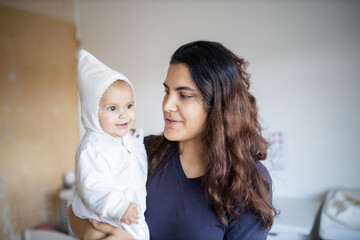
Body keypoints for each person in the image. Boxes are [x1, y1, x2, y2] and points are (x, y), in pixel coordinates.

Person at [68, 41, 278, 240]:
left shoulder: (249, 181)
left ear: (219, 104)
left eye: (184, 95)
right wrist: (92, 234)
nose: (167, 105)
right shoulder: (143, 151)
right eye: (166, 91)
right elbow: (76, 209)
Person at [70, 49, 149, 240]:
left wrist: (135, 139)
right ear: (92, 112)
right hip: (109, 215)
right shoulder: (93, 147)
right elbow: (92, 187)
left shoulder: (126, 139)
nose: (123, 114)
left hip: (130, 218)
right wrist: (118, 207)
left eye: (129, 106)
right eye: (112, 108)